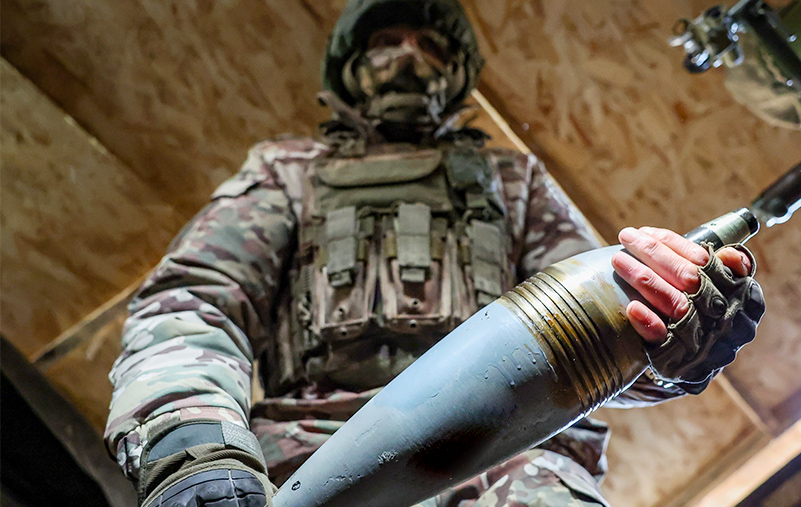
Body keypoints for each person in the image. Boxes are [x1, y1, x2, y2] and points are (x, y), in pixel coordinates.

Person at [104, 1, 765, 506]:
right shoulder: (287, 173)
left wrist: (676, 332)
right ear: (350, 66)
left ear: (455, 74)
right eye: (386, 41)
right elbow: (193, 302)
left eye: (429, 45)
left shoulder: (515, 184)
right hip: (308, 461)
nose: (408, 57)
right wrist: (193, 443)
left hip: (511, 470)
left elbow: (602, 331)